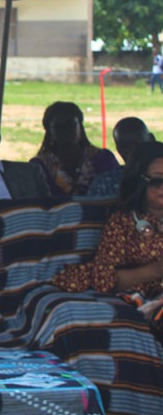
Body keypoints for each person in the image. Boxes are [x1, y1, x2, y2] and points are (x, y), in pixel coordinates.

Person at [52, 141, 163, 332]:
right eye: (157, 180)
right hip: (144, 301)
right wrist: (154, 271)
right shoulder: (123, 222)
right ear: (139, 181)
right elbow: (104, 277)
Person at [29, 101, 119, 197]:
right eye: (58, 126)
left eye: (70, 124)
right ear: (49, 131)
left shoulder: (103, 158)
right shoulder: (38, 166)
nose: (65, 130)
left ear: (80, 127)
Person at [88, 117, 155, 197]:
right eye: (124, 148)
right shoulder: (105, 182)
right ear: (118, 149)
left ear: (151, 139)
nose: (132, 152)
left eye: (137, 145)